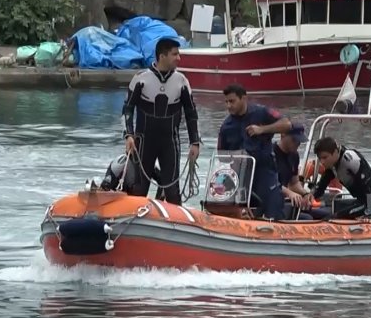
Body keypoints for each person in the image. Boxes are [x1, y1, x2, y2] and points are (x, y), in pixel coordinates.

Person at [121, 37, 201, 205]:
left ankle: (174, 226)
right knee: (139, 190)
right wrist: (128, 135)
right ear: (162, 56)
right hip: (143, 142)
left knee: (172, 192)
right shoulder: (141, 78)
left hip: (170, 143)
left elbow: (191, 113)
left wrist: (195, 142)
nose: (179, 58)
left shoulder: (182, 81)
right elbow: (127, 109)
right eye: (175, 54)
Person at [217, 84, 291, 220]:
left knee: (273, 206)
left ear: (243, 98)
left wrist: (262, 129)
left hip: (264, 171)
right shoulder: (226, 127)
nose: (228, 106)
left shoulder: (262, 112)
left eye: (232, 101)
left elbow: (286, 124)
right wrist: (236, 156)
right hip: (240, 175)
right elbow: (221, 156)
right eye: (226, 102)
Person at [273, 123, 331, 220]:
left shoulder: (294, 156)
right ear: (283, 135)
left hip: (285, 201)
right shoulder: (271, 154)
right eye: (294, 140)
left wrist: (305, 194)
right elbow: (269, 182)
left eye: (299, 141)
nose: (298, 144)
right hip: (271, 201)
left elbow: (294, 183)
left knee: (326, 214)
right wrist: (289, 193)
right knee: (307, 218)